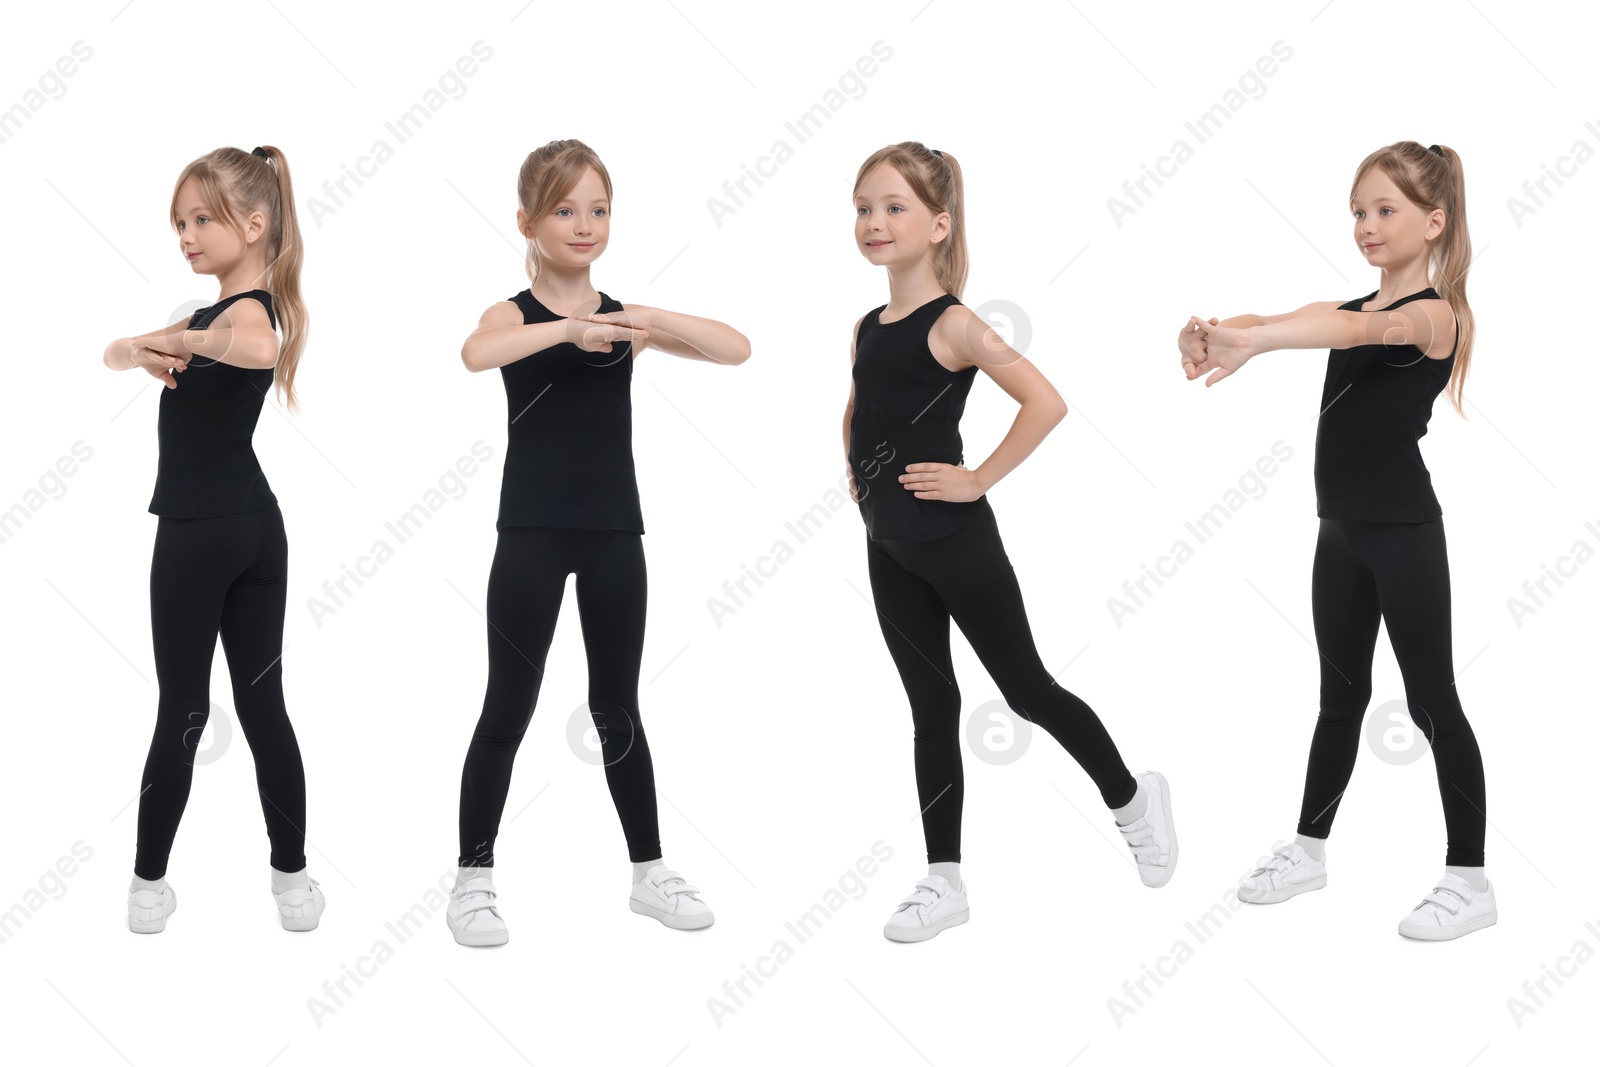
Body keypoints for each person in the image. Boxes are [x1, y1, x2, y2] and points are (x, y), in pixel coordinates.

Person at [847, 142, 1178, 944]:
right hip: (887, 543)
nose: (874, 223)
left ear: (937, 224)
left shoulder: (955, 323)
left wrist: (979, 476)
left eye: (894, 207)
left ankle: (1133, 797)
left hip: (955, 541)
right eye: (863, 208)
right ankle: (944, 877)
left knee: (1027, 689)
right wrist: (855, 472)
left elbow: (1045, 400)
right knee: (932, 706)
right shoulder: (867, 324)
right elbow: (861, 403)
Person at [1179, 141, 1493, 941]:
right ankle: (1310, 849)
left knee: (1431, 703)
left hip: (1403, 535)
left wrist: (1265, 340)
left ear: (1434, 221)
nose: (1367, 224)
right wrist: (1219, 332)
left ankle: (1469, 877)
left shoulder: (1435, 315)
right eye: (1358, 211)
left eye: (1385, 210)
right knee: (1339, 699)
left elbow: (1344, 333)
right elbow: (1303, 318)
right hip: (1341, 533)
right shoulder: (1354, 305)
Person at [446, 140, 751, 946]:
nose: (584, 224)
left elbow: (736, 347)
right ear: (527, 222)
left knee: (617, 704)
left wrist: (639, 320)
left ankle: (650, 872)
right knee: (507, 704)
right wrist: (565, 332)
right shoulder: (514, 315)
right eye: (564, 209)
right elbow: (476, 354)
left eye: (598, 209)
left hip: (616, 530)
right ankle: (473, 879)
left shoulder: (624, 319)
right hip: (532, 534)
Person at [103, 145, 323, 934]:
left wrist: (181, 344)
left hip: (203, 535)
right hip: (255, 530)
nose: (187, 234)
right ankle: (290, 883)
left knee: (191, 711)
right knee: (247, 707)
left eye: (202, 218)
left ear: (254, 224)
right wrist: (136, 348)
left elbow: (259, 346)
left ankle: (151, 883)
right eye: (181, 222)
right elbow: (111, 351)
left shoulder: (246, 311)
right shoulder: (205, 315)